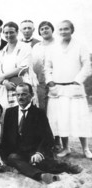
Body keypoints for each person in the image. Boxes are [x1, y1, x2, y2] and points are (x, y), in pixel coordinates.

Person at [2, 83, 82, 184]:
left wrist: (39, 152)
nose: (20, 97)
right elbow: (6, 137)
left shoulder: (39, 113)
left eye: (24, 94)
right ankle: (41, 175)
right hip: (17, 153)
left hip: (33, 151)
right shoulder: (10, 112)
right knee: (13, 159)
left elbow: (47, 137)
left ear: (31, 95)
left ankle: (66, 166)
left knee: (39, 162)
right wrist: (3, 156)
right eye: (18, 95)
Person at [45, 20, 92, 158]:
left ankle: (86, 148)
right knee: (61, 118)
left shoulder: (80, 46)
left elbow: (86, 66)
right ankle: (66, 147)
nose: (63, 32)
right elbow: (47, 67)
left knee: (79, 118)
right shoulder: (53, 48)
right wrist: (50, 81)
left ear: (72, 30)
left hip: (75, 87)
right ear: (57, 31)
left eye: (66, 29)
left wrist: (77, 81)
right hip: (58, 89)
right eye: (61, 29)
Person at [0, 21, 37, 110]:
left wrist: (4, 76)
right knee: (9, 116)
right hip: (7, 89)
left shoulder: (25, 47)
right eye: (6, 33)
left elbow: (24, 68)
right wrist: (5, 82)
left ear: (17, 32)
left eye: (11, 32)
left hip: (22, 87)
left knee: (24, 113)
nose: (9, 35)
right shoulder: (1, 52)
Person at [31, 21, 55, 111]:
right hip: (40, 83)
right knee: (42, 107)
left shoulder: (58, 44)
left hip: (55, 81)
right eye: (42, 29)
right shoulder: (37, 46)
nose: (44, 30)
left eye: (47, 28)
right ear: (39, 32)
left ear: (52, 29)